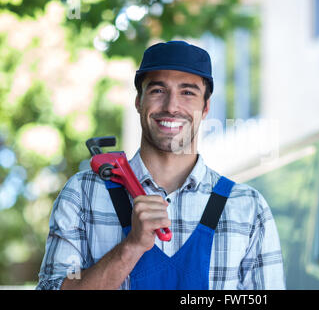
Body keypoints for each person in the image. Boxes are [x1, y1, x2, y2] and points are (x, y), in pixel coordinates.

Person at [36, 41, 286, 290]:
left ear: (206, 106)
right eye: (158, 90)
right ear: (138, 101)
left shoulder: (248, 209)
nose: (171, 106)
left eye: (188, 92)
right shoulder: (82, 195)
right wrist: (130, 248)